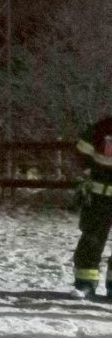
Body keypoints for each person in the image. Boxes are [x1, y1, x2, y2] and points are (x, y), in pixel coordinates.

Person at [71, 114, 112, 299]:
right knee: (91, 241)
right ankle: (85, 283)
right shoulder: (103, 128)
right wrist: (87, 174)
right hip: (98, 197)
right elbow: (82, 151)